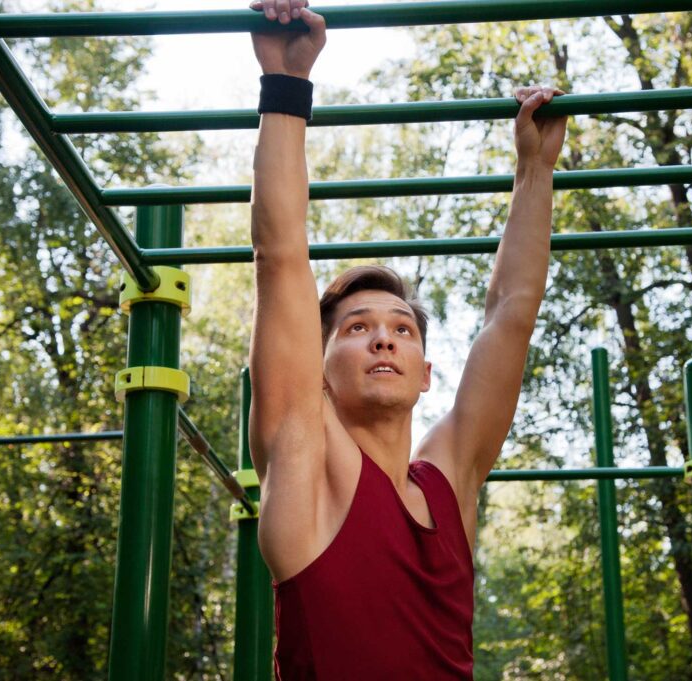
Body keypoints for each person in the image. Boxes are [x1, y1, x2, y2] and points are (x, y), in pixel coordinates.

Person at [247, 1, 568, 678]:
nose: (384, 341)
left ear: (427, 371)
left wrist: (535, 170)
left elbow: (512, 310)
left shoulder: (450, 479)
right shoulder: (306, 460)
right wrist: (285, 83)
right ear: (322, 369)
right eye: (358, 329)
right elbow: (280, 257)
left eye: (401, 329)